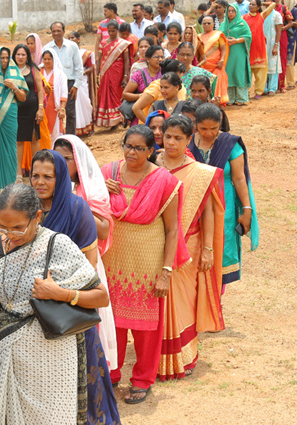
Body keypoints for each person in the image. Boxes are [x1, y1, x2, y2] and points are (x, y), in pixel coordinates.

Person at [0, 184, 109, 424]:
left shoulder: (58, 245)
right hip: (7, 359)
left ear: (37, 216)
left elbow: (101, 296)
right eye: (3, 226)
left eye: (18, 227)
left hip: (52, 364)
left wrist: (62, 294)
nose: (11, 234)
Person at [28, 150, 121, 424]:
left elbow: (89, 264)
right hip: (32, 310)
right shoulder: (24, 206)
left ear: (61, 177)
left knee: (82, 383)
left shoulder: (76, 209)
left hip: (71, 310)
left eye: (48, 176)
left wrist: (58, 292)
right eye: (35, 175)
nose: (40, 182)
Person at [102, 125, 189, 403]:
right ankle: (111, 374)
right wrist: (100, 190)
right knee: (110, 320)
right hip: (112, 259)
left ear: (152, 150)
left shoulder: (163, 181)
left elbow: (173, 229)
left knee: (145, 327)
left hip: (148, 260)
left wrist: (166, 272)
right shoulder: (108, 174)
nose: (131, 152)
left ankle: (142, 380)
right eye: (128, 145)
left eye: (140, 148)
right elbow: (84, 201)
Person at [154, 115, 225, 380]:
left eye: (178, 138)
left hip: (189, 243)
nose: (171, 142)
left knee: (183, 300)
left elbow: (207, 211)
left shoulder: (198, 170)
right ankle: (155, 357)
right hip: (156, 243)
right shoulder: (153, 163)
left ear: (187, 140)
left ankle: (185, 356)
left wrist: (208, 248)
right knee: (157, 300)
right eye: (167, 136)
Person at [52, 134, 118, 368]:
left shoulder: (90, 188)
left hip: (85, 258)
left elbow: (103, 230)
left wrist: (75, 205)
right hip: (53, 261)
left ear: (77, 161)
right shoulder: (47, 185)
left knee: (84, 315)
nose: (61, 165)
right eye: (57, 159)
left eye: (67, 159)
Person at [188, 103, 259, 284]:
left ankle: (215, 303)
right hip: (193, 210)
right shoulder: (187, 142)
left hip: (224, 210)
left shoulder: (230, 144)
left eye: (214, 128)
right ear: (196, 124)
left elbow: (239, 179)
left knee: (220, 256)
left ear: (220, 124)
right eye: (203, 128)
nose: (209, 133)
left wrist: (247, 209)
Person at [0, 46, 28, 190]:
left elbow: (23, 98)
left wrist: (14, 87)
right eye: (1, 58)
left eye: (6, 58)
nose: (4, 61)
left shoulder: (15, 75)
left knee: (10, 150)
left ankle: (10, 187)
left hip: (10, 116)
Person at [45, 21, 86, 135]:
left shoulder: (72, 46)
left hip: (69, 84)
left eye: (58, 31)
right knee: (52, 111)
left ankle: (70, 139)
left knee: (70, 112)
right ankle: (54, 136)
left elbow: (79, 67)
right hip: (52, 84)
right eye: (53, 31)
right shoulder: (47, 48)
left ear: (63, 31)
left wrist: (76, 85)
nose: (56, 33)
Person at [12, 44, 45, 179]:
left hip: (32, 108)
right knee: (19, 140)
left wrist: (40, 108)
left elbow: (40, 90)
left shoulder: (33, 70)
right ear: (14, 56)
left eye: (23, 54)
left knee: (34, 138)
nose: (20, 57)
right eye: (18, 54)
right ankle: (18, 172)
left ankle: (36, 170)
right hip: (16, 109)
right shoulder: (10, 70)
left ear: (27, 56)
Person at [96, 20, 132, 129]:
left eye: (114, 31)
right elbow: (99, 59)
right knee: (105, 93)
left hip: (118, 72)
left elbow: (126, 61)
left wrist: (126, 75)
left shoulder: (122, 43)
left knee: (117, 94)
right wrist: (97, 74)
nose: (112, 33)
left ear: (118, 30)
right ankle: (109, 120)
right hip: (105, 72)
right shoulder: (103, 43)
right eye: (110, 31)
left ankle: (119, 119)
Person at [132, 59, 188, 123]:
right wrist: (150, 125)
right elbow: (136, 108)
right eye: (180, 72)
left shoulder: (181, 86)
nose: (182, 74)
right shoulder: (155, 88)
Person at [244, 1, 278, 99]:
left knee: (261, 73)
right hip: (248, 49)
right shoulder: (244, 18)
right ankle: (245, 92)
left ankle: (258, 92)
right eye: (250, 4)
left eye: (253, 4)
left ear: (258, 7)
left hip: (260, 49)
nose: (250, 6)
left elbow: (273, 5)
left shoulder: (262, 16)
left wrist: (261, 2)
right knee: (247, 73)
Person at [123, 45, 164, 126]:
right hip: (141, 115)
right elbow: (125, 94)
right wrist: (142, 96)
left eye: (162, 57)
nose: (160, 59)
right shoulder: (139, 75)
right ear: (148, 59)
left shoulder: (165, 74)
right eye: (156, 57)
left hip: (160, 114)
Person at [220, 3, 253, 105]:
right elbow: (219, 35)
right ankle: (229, 98)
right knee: (229, 73)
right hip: (227, 53)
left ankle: (241, 99)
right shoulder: (223, 24)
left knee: (238, 73)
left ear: (237, 12)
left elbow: (248, 36)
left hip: (238, 52)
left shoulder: (242, 23)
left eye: (233, 11)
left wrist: (237, 40)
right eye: (229, 11)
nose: (230, 13)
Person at [67, 31, 97, 136]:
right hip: (70, 81)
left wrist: (81, 73)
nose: (71, 40)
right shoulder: (66, 54)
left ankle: (88, 128)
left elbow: (91, 68)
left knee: (85, 104)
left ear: (78, 39)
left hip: (82, 81)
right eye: (69, 38)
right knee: (72, 105)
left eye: (73, 38)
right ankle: (74, 130)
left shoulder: (86, 54)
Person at [199, 15, 231, 104]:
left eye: (209, 23)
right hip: (203, 66)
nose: (206, 25)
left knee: (216, 83)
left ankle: (218, 101)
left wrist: (222, 60)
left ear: (213, 24)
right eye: (204, 23)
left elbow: (223, 49)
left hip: (216, 65)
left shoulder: (218, 35)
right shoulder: (198, 37)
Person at [41, 49, 68, 140]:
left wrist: (62, 109)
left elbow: (64, 92)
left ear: (54, 60)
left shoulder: (60, 74)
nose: (47, 61)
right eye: (45, 59)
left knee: (55, 134)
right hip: (41, 108)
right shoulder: (39, 72)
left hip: (54, 108)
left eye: (49, 59)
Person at [264, 4, 285, 94]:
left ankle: (272, 88)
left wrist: (276, 45)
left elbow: (279, 31)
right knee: (263, 66)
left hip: (272, 43)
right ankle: (263, 88)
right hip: (263, 44)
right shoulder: (262, 14)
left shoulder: (277, 15)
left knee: (273, 64)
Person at [275, 1, 295, 93]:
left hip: (282, 35)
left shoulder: (284, 8)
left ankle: (281, 85)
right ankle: (272, 85)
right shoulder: (266, 8)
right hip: (270, 34)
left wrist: (282, 29)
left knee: (282, 58)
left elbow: (290, 22)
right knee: (271, 58)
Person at [286, 0, 297, 89]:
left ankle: (291, 82)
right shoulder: (280, 9)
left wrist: (288, 23)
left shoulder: (294, 10)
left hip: (292, 38)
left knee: (289, 60)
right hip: (282, 36)